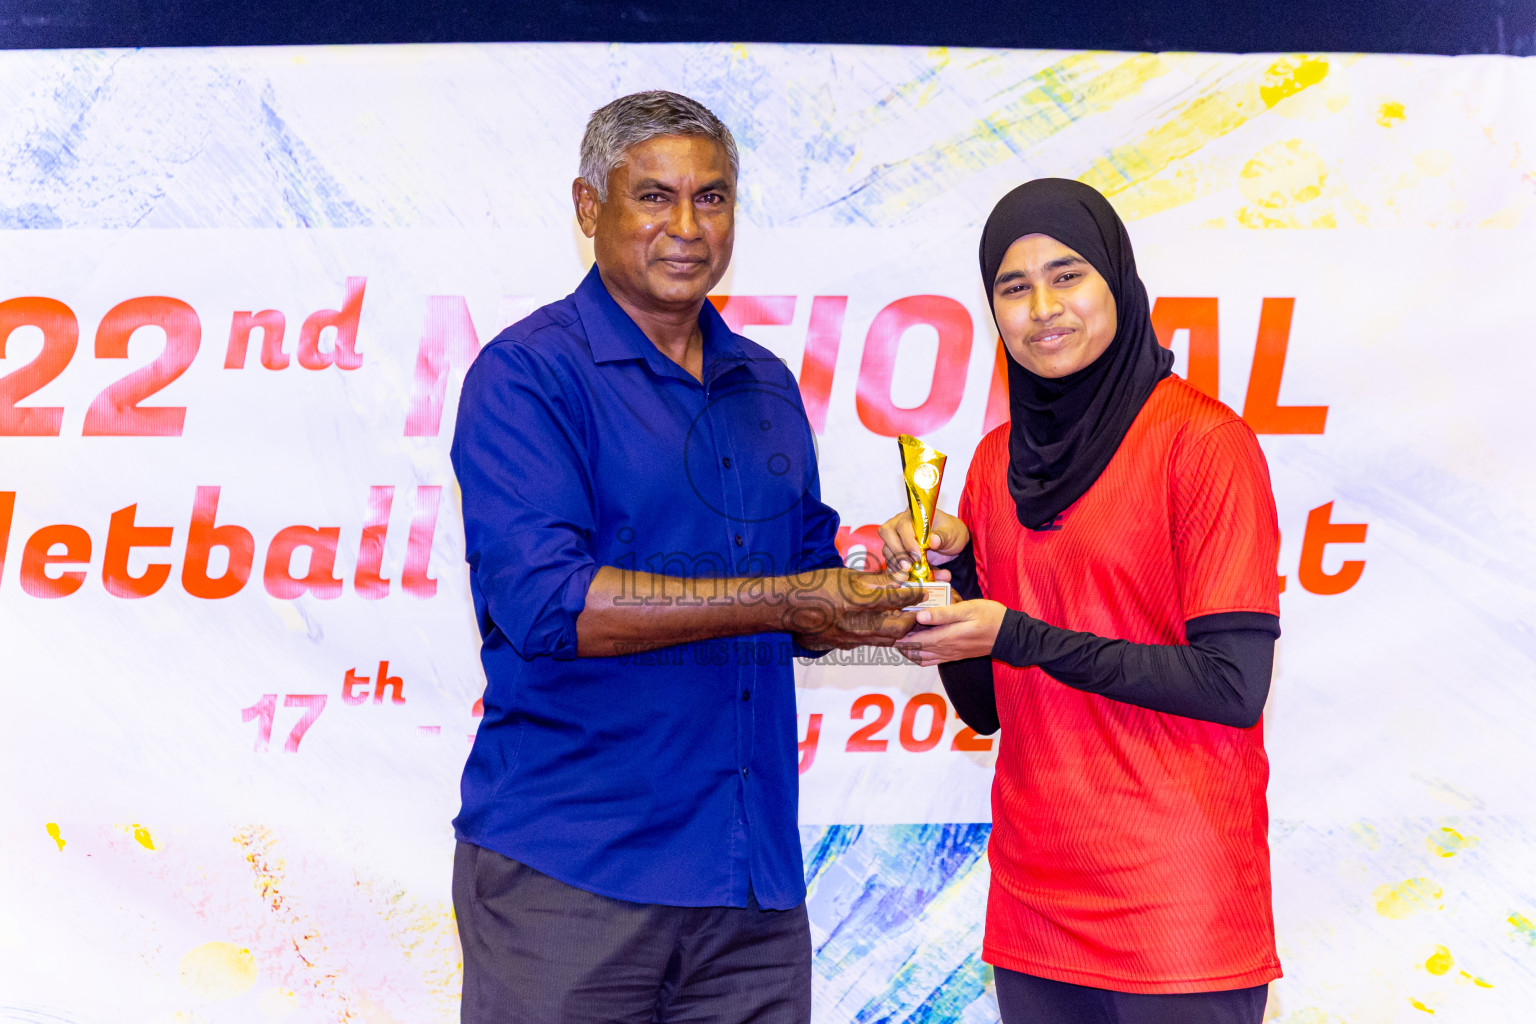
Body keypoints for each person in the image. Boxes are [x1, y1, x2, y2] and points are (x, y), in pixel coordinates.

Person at [449, 90, 917, 1024]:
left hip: (750, 896)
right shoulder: (527, 374)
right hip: (571, 881)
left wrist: (882, 582)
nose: (687, 227)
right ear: (590, 209)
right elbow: (551, 605)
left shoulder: (764, 382)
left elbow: (805, 595)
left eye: (713, 198)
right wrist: (789, 600)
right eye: (654, 197)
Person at [879, 178, 1282, 1024]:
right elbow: (985, 706)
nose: (1042, 308)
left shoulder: (1205, 444)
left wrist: (1018, 631)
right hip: (1036, 900)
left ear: (1118, 284)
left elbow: (1232, 687)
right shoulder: (995, 464)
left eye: (1067, 276)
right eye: (1013, 287)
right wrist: (951, 586)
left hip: (1176, 904)